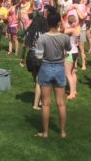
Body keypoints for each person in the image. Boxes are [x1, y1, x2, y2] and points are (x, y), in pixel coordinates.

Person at [35, 10, 71, 139]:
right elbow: (69, 49)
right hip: (60, 68)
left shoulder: (42, 38)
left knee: (45, 103)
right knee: (61, 103)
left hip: (46, 67)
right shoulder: (64, 37)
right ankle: (62, 132)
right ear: (58, 22)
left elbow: (38, 56)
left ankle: (45, 133)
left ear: (47, 22)